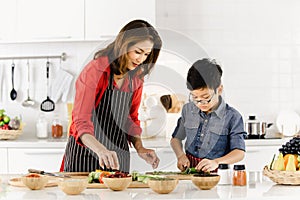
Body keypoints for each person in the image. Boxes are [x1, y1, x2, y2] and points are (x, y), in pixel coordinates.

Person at [61, 19, 162, 173]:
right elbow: (80, 121)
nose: (140, 59)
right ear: (124, 46)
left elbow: (130, 119)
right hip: (86, 153)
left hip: (118, 156)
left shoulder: (136, 78)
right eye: (138, 52)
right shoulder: (95, 71)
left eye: (146, 55)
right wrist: (101, 150)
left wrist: (140, 147)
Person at [170, 58, 246, 172]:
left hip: (219, 175)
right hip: (190, 173)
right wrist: (180, 156)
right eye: (195, 97)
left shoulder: (233, 117)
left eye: (206, 98)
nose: (200, 103)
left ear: (219, 89)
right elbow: (176, 139)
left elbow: (239, 153)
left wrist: (217, 162)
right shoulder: (188, 110)